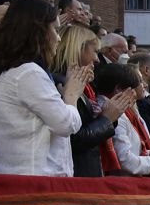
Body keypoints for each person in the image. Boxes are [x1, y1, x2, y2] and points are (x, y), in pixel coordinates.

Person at [0, 0, 84, 176]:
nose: (59, 37)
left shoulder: (20, 71)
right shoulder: (28, 73)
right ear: (38, 32)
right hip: (31, 182)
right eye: (55, 29)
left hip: (25, 179)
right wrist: (71, 95)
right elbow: (65, 124)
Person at [52, 24, 131, 177]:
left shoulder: (84, 87)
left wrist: (109, 117)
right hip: (77, 172)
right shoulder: (61, 84)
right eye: (95, 52)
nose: (97, 59)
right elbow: (74, 138)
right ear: (78, 49)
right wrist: (106, 119)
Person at [93, 63, 150, 183]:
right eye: (131, 89)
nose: (134, 93)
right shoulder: (114, 114)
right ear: (118, 90)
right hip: (122, 185)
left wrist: (148, 154)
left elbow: (129, 148)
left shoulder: (119, 112)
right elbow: (125, 159)